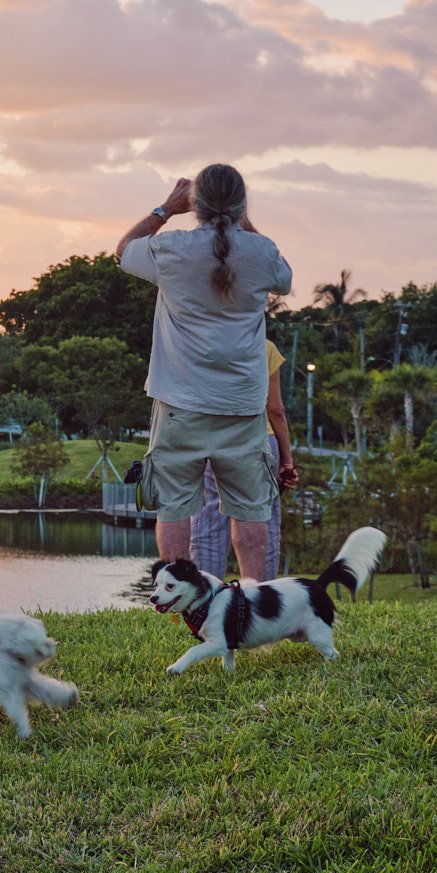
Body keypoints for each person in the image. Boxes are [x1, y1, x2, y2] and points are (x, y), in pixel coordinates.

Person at [115, 164, 292, 576]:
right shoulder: (262, 252)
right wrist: (243, 221)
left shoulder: (172, 248)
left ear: (193, 203)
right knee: (250, 512)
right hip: (243, 407)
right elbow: (283, 279)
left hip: (180, 403)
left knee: (176, 507)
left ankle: (182, 608)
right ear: (242, 204)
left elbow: (124, 251)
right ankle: (252, 606)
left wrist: (164, 210)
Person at [191, 338, 300, 580]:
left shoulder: (203, 342)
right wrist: (287, 460)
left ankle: (203, 601)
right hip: (260, 439)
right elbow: (275, 409)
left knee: (208, 522)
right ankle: (261, 600)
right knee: (262, 521)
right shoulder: (265, 346)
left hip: (211, 437)